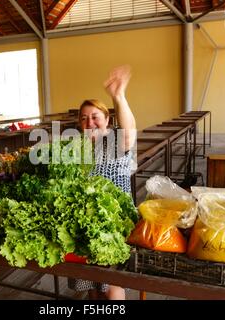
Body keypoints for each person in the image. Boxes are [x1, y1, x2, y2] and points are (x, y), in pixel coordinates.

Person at [68, 65, 136, 300]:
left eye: (95, 116)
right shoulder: (77, 148)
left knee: (112, 282)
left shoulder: (115, 141)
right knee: (90, 282)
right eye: (84, 118)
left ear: (107, 119)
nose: (90, 122)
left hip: (114, 221)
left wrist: (119, 96)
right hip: (85, 220)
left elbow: (129, 131)